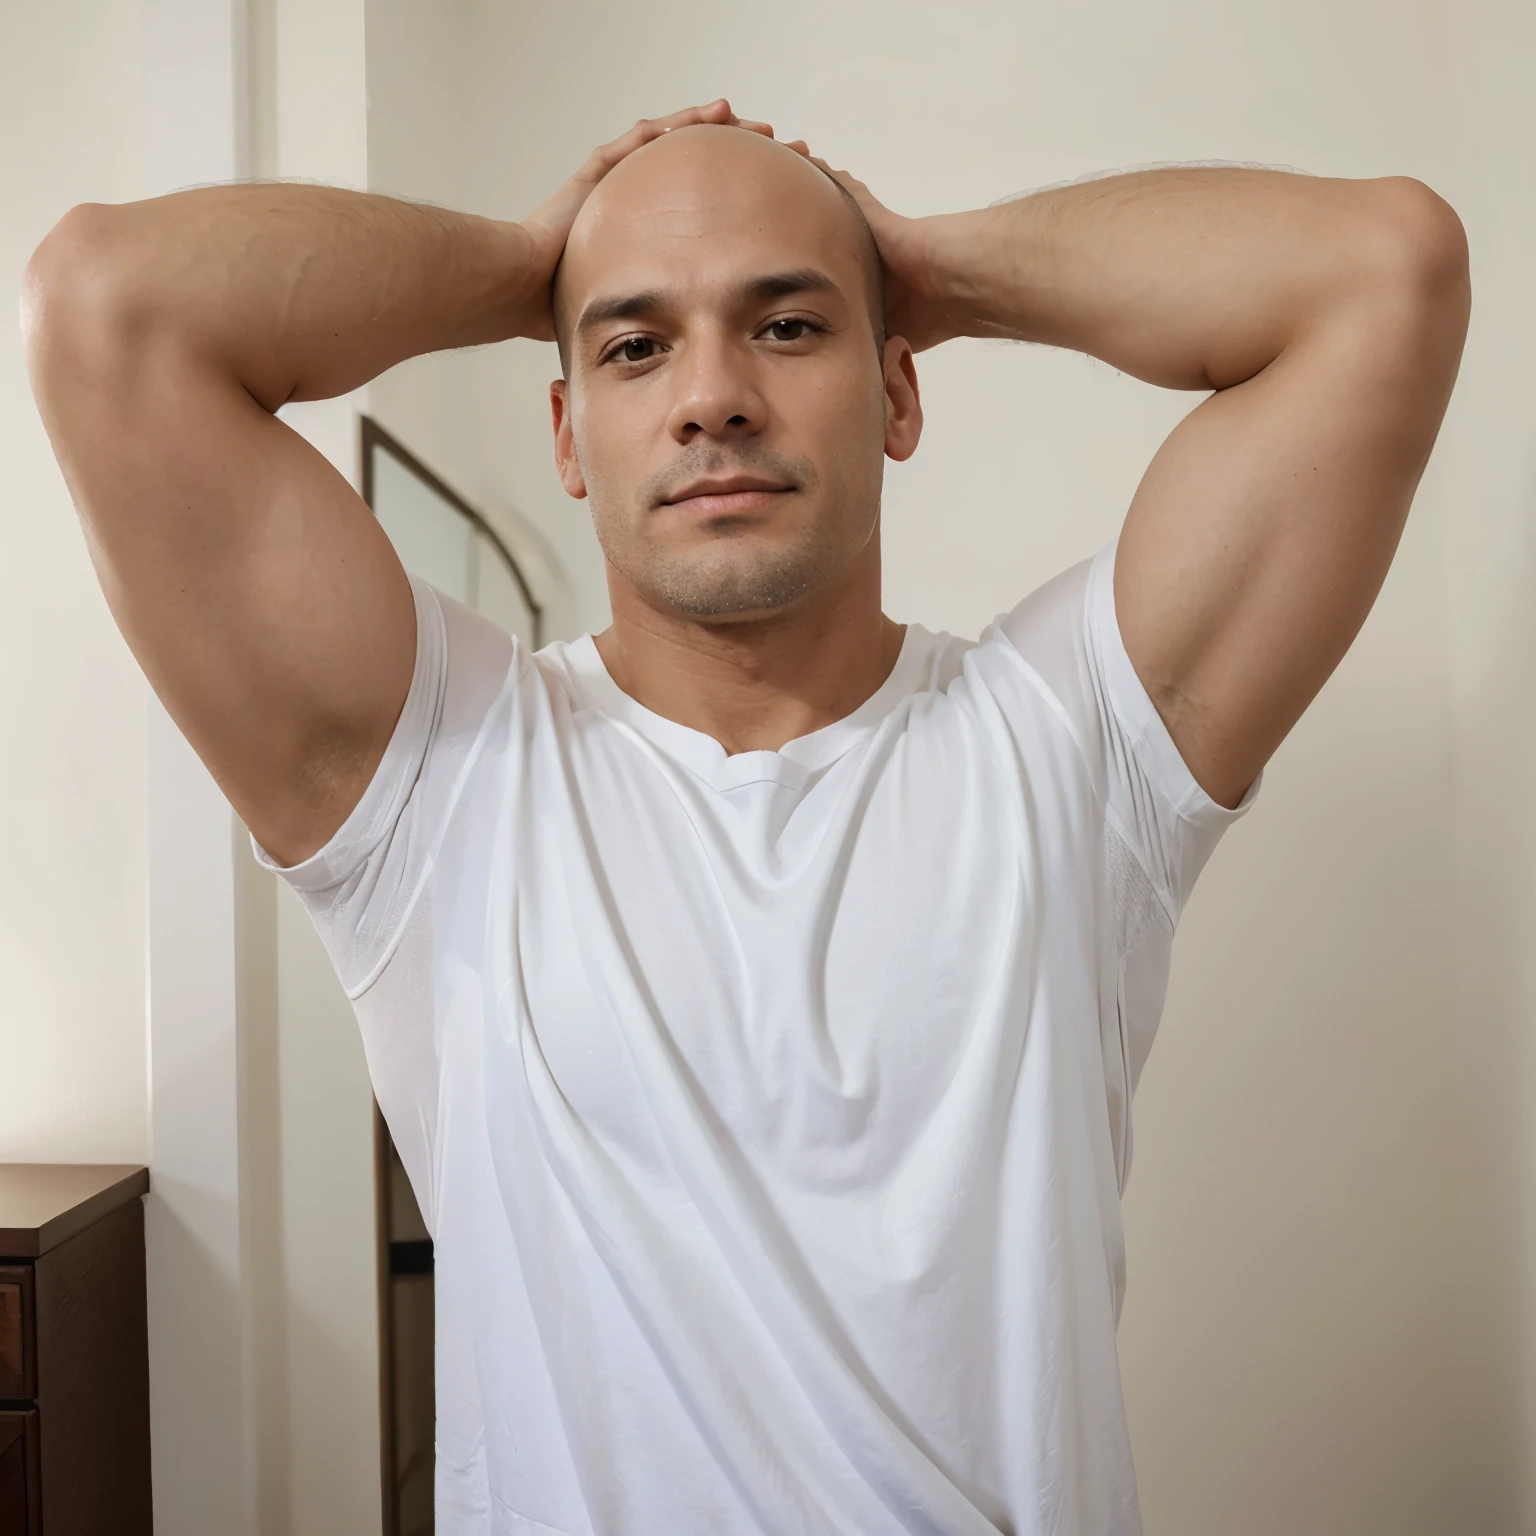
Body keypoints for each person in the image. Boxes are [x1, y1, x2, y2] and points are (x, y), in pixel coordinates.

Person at [24, 98, 1467, 1534]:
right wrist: (534, 258)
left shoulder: (1069, 744)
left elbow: (1384, 271)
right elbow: (108, 306)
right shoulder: (442, 775)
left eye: (788, 326)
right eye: (635, 346)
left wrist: (914, 259)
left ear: (900, 393)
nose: (711, 395)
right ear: (569, 433)